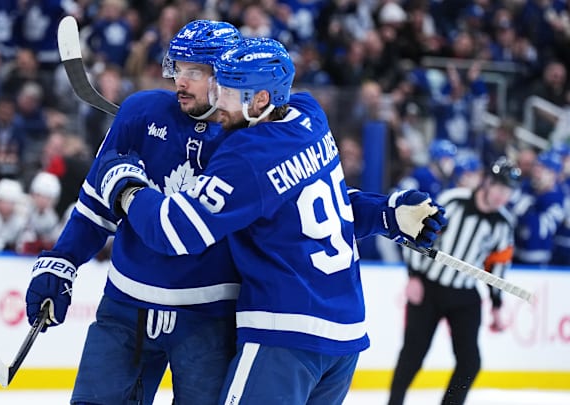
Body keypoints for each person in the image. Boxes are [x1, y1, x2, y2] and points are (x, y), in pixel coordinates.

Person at [93, 38, 447, 404]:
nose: (217, 98)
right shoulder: (309, 116)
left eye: (229, 90)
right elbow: (321, 205)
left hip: (283, 336)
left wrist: (126, 186)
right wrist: (386, 214)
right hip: (344, 337)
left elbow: (173, 230)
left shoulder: (245, 158)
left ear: (261, 99)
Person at [24, 20, 243, 405]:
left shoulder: (247, 138)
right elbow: (95, 205)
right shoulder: (142, 112)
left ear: (224, 75)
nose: (180, 81)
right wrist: (62, 260)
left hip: (209, 318)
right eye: (178, 67)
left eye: (195, 71)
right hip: (127, 305)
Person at [388, 157, 522, 405]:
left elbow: (497, 267)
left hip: (465, 297)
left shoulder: (503, 224)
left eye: (509, 192)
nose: (504, 197)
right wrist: (413, 276)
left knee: (470, 362)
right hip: (429, 288)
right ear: (488, 182)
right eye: (501, 189)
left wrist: (496, 305)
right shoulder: (453, 201)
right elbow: (417, 235)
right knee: (413, 355)